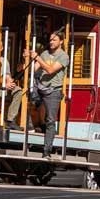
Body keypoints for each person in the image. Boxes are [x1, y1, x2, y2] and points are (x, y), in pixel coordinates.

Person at [26, 31, 69, 159]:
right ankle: (29, 127)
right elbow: (33, 69)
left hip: (54, 91)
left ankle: (47, 151)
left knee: (50, 120)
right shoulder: (45, 53)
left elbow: (50, 70)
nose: (51, 42)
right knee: (26, 99)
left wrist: (38, 58)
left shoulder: (63, 56)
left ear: (61, 41)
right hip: (40, 88)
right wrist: (27, 59)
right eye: (50, 40)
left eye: (54, 40)